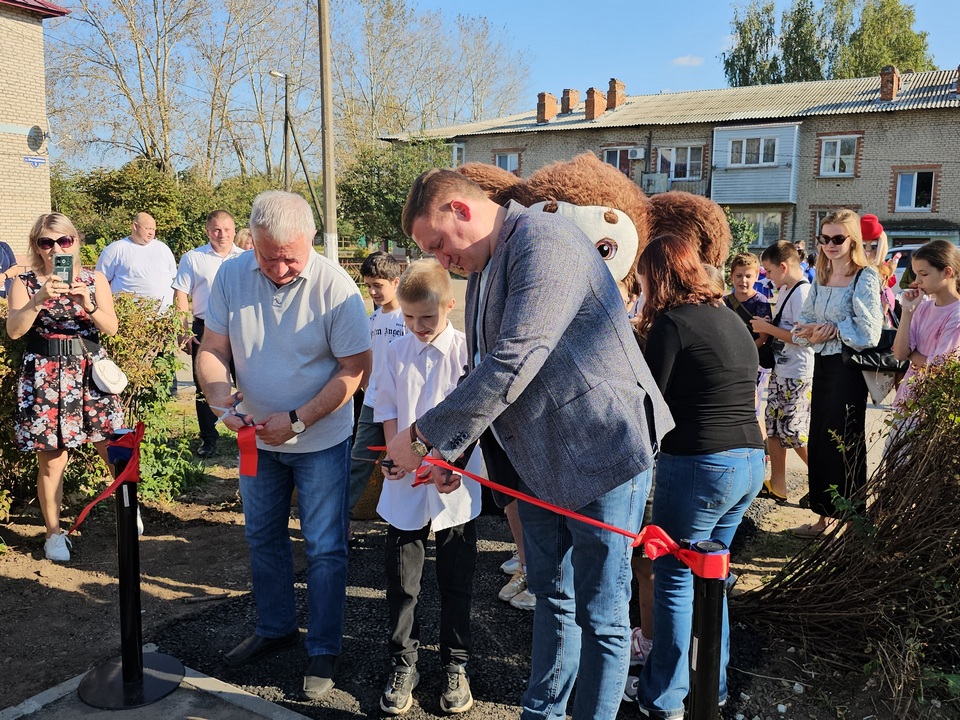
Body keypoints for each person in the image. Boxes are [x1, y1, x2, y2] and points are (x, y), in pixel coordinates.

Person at [385, 168, 673, 720]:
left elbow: (516, 358)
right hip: (541, 462)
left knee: (603, 613)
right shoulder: (490, 262)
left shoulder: (546, 240)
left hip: (605, 451)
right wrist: (455, 453)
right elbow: (485, 373)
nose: (441, 260)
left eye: (439, 244)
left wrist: (424, 437)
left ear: (461, 210)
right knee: (553, 597)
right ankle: (542, 712)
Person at [196, 191, 371, 699]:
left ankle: (323, 647)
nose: (278, 267)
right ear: (252, 241)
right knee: (262, 537)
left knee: (324, 547)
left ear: (311, 239)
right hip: (256, 438)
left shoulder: (337, 289)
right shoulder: (230, 276)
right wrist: (217, 395)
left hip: (318, 440)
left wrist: (296, 420)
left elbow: (354, 371)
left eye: (290, 257)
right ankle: (275, 629)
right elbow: (212, 349)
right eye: (267, 255)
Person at [633, 234, 764, 719]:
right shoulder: (729, 316)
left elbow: (650, 400)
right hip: (749, 461)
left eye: (644, 278)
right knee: (714, 579)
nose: (641, 287)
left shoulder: (671, 323)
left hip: (700, 465)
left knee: (673, 577)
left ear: (660, 275)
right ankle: (713, 684)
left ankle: (664, 698)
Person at [374, 259, 483, 715]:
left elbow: (477, 412)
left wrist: (450, 463)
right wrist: (395, 457)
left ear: (450, 307)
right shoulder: (395, 353)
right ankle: (404, 662)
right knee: (403, 582)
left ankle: (456, 664)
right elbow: (387, 409)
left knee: (456, 580)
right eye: (409, 318)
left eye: (427, 319)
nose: (417, 327)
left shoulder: (467, 353)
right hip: (407, 484)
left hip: (455, 481)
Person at [6, 213, 123, 562]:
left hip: (88, 372)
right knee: (53, 460)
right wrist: (39, 298)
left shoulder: (93, 278)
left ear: (75, 242)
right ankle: (53, 534)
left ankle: (129, 509)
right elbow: (14, 330)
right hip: (44, 375)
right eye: (46, 242)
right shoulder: (24, 283)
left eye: (63, 241)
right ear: (37, 247)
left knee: (113, 447)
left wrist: (88, 304)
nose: (55, 248)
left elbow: (112, 327)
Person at [791, 209, 882, 538]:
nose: (830, 244)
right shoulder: (821, 275)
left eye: (838, 238)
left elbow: (870, 331)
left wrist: (830, 330)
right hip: (823, 367)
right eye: (824, 238)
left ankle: (851, 521)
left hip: (848, 370)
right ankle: (822, 518)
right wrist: (813, 331)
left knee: (845, 443)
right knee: (819, 441)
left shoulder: (865, 277)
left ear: (853, 240)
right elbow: (801, 326)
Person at [172, 210, 245, 457]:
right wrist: (182, 331)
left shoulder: (247, 258)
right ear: (207, 231)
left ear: (234, 230)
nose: (222, 235)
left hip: (241, 328)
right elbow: (181, 294)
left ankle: (248, 436)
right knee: (206, 386)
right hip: (205, 328)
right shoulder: (193, 258)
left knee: (248, 383)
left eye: (226, 230)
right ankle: (208, 439)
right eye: (216, 230)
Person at [750, 242, 814, 502]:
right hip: (783, 368)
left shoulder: (802, 293)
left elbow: (803, 338)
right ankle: (778, 485)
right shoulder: (788, 289)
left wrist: (767, 327)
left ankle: (827, 482)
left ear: (783, 267)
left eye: (768, 271)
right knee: (775, 428)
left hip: (797, 372)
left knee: (795, 432)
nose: (767, 276)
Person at [348, 251, 407, 515]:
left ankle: (401, 516)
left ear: (396, 282)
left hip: (402, 406)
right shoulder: (369, 321)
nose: (372, 291)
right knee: (359, 460)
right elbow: (368, 359)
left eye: (378, 285)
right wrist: (367, 387)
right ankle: (343, 517)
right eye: (368, 285)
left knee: (400, 459)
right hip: (373, 403)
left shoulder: (409, 319)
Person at [891, 240, 960, 406]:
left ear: (947, 272)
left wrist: (912, 354)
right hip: (909, 398)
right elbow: (899, 353)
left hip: (937, 401)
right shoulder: (922, 308)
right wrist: (907, 311)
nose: (917, 281)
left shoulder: (956, 313)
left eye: (924, 274)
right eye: (916, 274)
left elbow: (939, 368)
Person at [96, 212, 177, 310]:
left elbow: (174, 280)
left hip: (164, 317)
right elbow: (101, 283)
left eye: (153, 229)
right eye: (147, 228)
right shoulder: (115, 249)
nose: (151, 232)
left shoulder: (163, 249)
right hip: (129, 317)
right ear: (135, 226)